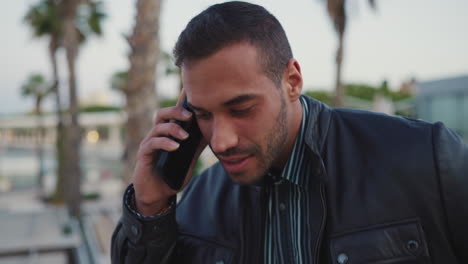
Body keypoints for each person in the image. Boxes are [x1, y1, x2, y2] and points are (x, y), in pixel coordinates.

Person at [111, 1, 468, 263]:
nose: (220, 141)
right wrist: (151, 206)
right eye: (202, 115)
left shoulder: (426, 159)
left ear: (292, 81)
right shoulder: (201, 202)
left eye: (241, 109)